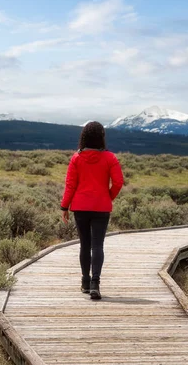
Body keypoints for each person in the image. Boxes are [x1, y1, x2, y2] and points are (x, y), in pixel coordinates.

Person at [60, 121, 124, 300]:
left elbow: (70, 185)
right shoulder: (110, 157)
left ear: (84, 136)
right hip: (101, 207)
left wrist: (64, 206)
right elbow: (118, 182)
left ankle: (85, 282)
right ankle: (95, 283)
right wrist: (108, 197)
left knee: (85, 245)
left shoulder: (76, 158)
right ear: (101, 137)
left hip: (80, 207)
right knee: (98, 245)